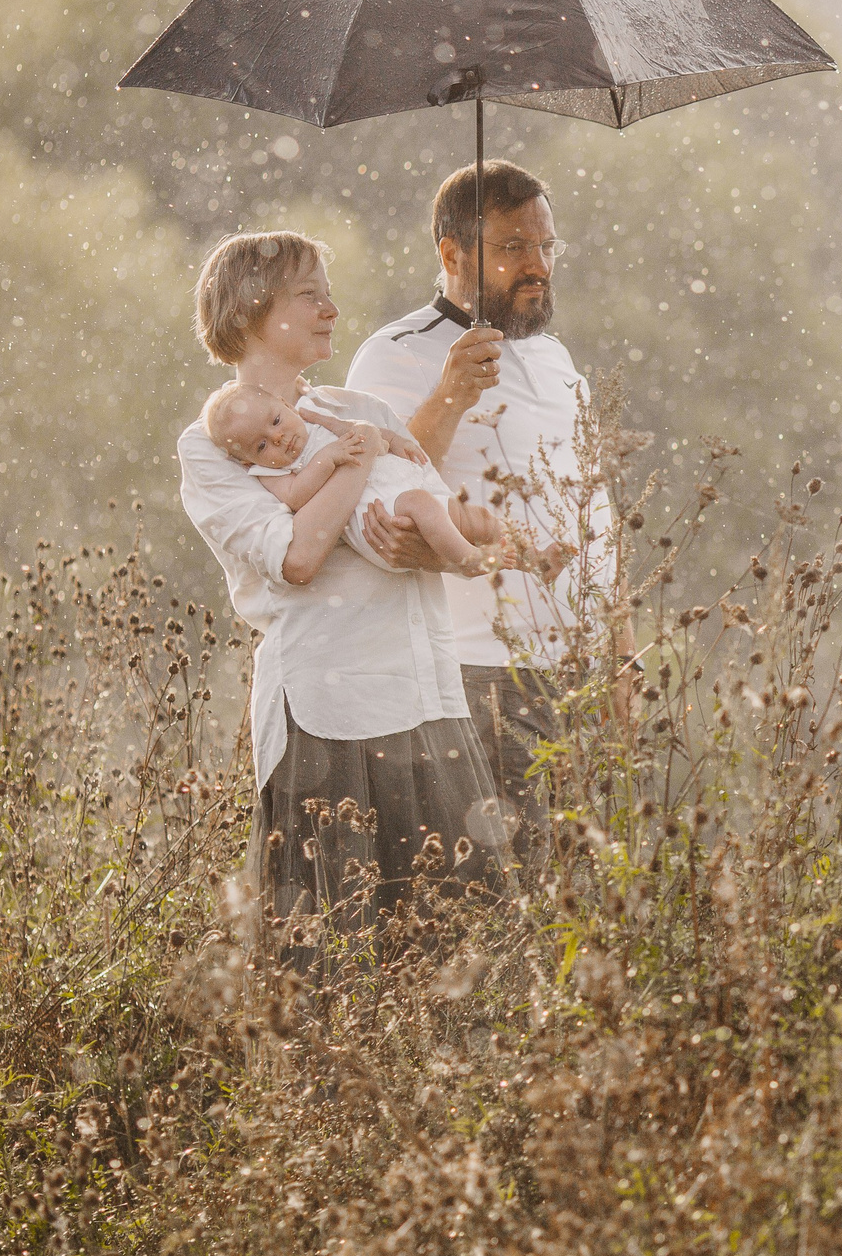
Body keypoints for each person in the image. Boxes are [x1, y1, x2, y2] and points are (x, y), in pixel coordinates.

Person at [176, 229, 510, 973]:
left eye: (328, 293)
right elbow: (297, 556)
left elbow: (429, 515)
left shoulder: (359, 407)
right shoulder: (213, 444)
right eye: (309, 295)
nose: (331, 308)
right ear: (252, 310)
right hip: (330, 714)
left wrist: (457, 538)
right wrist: (356, 457)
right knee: (335, 968)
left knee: (468, 960)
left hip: (427, 694)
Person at [348, 160, 615, 864]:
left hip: (581, 668)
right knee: (500, 893)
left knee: (583, 890)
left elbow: (595, 506)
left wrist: (617, 646)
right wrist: (449, 397)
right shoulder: (393, 355)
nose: (538, 266)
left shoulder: (555, 358)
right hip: (479, 672)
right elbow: (377, 497)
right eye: (513, 247)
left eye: (547, 245)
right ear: (451, 254)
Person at [200, 380, 564, 580]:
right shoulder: (270, 472)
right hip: (378, 518)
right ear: (246, 459)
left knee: (478, 518)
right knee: (423, 505)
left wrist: (395, 440)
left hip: (402, 487)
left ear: (285, 405)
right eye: (261, 445)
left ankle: (535, 561)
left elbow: (362, 431)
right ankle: (468, 560)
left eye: (276, 421)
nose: (278, 438)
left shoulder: (315, 418)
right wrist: (328, 459)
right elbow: (295, 496)